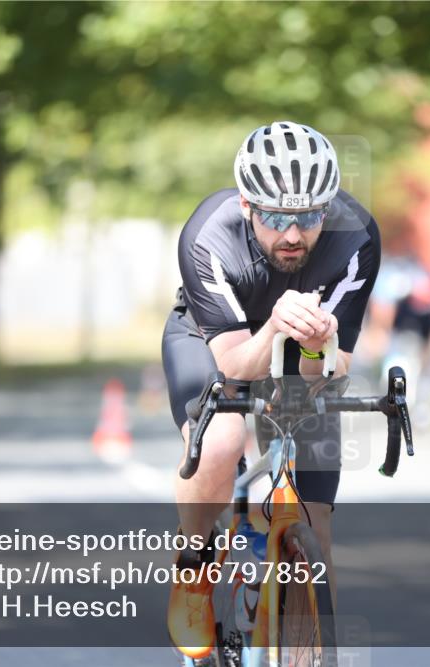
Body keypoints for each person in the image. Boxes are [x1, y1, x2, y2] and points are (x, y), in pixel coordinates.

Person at [161, 121, 381, 658]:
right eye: (276, 217)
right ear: (246, 204)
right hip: (214, 341)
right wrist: (278, 326)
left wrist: (316, 347)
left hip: (298, 345)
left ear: (326, 209)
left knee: (316, 523)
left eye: (307, 218)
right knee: (221, 441)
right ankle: (193, 575)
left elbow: (332, 369)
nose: (292, 233)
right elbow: (235, 365)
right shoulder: (207, 235)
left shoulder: (357, 237)